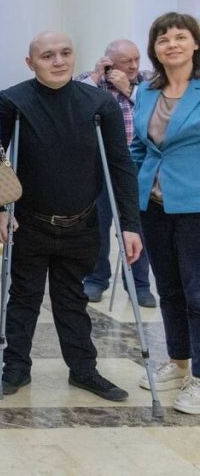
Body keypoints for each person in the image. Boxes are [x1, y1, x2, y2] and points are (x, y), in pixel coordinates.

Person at [0, 31, 142, 402]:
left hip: (81, 223)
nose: (58, 61)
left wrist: (130, 225)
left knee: (72, 299)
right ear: (30, 62)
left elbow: (120, 165)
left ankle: (83, 369)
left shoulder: (99, 103)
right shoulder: (12, 101)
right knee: (23, 297)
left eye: (65, 53)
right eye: (47, 56)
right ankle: (15, 368)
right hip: (29, 222)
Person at [130, 12, 200, 414]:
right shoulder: (147, 91)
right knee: (169, 288)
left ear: (195, 43)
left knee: (197, 292)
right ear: (154, 49)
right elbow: (140, 147)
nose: (171, 44)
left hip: (195, 206)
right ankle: (178, 362)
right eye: (163, 39)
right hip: (154, 205)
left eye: (180, 37)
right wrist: (128, 191)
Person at [77, 39, 156, 307]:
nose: (134, 66)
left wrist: (128, 90)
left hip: (135, 168)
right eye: (126, 61)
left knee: (135, 226)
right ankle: (96, 279)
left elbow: (155, 113)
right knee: (98, 225)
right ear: (110, 62)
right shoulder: (91, 82)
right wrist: (97, 74)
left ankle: (139, 284)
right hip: (97, 166)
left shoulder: (148, 82)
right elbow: (75, 106)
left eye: (136, 59)